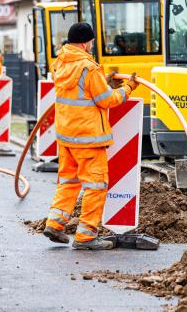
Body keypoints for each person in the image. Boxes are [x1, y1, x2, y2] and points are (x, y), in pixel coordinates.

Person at [43, 22, 138, 250]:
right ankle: (86, 237)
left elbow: (82, 91)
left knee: (68, 181)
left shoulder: (60, 63)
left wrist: (105, 84)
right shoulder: (88, 67)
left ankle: (54, 224)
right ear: (86, 42)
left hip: (66, 136)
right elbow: (107, 100)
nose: (92, 46)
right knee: (95, 186)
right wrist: (128, 88)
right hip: (88, 138)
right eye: (92, 43)